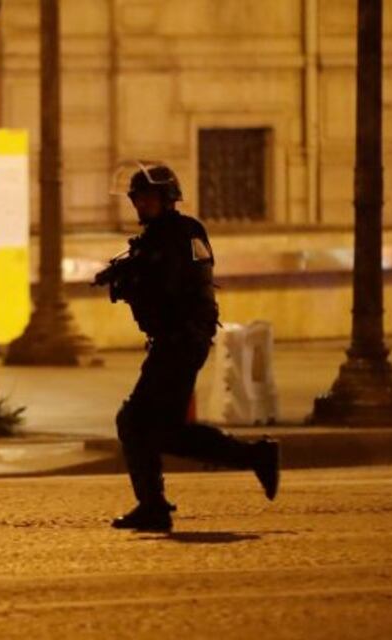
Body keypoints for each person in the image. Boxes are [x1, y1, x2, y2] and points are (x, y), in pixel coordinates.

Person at [94, 162, 280, 532]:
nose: (139, 204)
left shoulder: (184, 232)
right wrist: (121, 274)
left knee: (135, 422)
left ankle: (155, 505)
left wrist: (136, 276)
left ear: (166, 198)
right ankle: (251, 458)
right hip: (170, 342)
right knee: (164, 429)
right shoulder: (153, 238)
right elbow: (146, 273)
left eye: (146, 197)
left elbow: (178, 281)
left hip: (182, 342)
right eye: (135, 198)